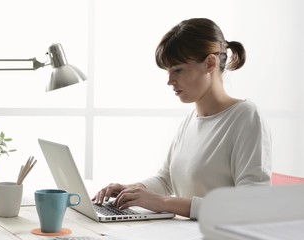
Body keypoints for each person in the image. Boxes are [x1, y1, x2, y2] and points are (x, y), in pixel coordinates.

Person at [92, 18, 271, 220]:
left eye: (177, 70)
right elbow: (166, 179)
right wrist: (133, 189)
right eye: (168, 71)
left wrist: (164, 203)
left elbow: (251, 206)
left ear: (210, 63)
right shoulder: (190, 120)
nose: (169, 81)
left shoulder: (245, 117)